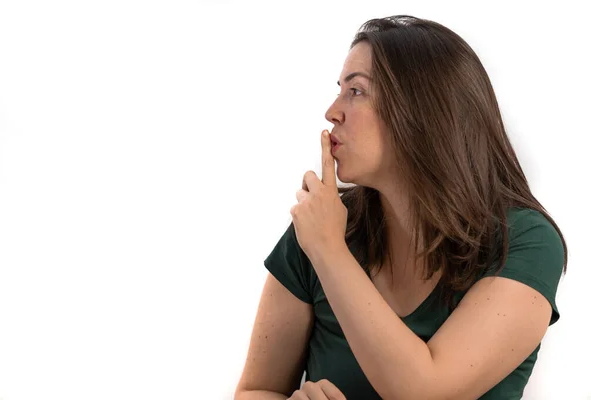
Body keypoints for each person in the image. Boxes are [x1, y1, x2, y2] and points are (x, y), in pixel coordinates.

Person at [234, 15, 567, 400]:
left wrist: (328, 249)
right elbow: (257, 389)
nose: (332, 111)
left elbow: (425, 389)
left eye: (356, 91)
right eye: (339, 90)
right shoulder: (321, 229)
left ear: (422, 110)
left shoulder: (525, 242)